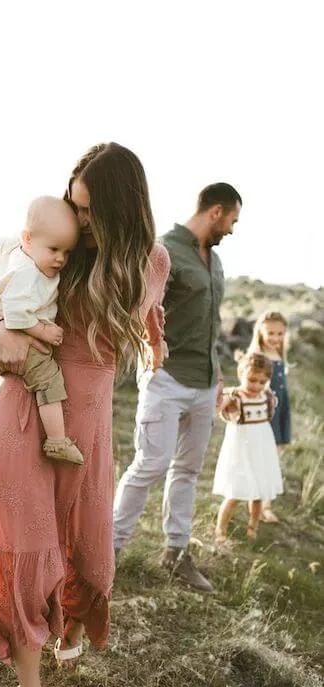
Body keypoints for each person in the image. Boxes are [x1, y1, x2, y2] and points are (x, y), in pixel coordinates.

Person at [0, 142, 170, 687]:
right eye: (73, 206)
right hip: (20, 407)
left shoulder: (150, 261)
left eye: (87, 212)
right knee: (23, 545)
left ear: (119, 210)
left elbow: (149, 308)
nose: (76, 223)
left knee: (86, 547)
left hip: (89, 420)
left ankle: (70, 626)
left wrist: (156, 339)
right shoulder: (46, 244)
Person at [113, 183, 242, 593]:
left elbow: (211, 325)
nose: (233, 230)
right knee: (150, 465)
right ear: (216, 211)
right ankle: (107, 553)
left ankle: (176, 553)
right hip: (165, 379)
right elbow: (139, 311)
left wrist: (218, 376)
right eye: (233, 220)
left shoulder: (215, 262)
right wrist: (151, 353)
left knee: (187, 470)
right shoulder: (163, 251)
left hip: (204, 383)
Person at [0, 196, 83, 465]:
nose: (60, 259)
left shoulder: (17, 248)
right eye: (54, 249)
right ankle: (57, 441)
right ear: (27, 238)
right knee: (48, 379)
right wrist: (43, 332)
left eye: (67, 252)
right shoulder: (29, 272)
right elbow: (15, 313)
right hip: (12, 333)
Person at [213, 352, 283, 547]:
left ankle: (253, 527)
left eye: (262, 381)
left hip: (261, 448)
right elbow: (219, 407)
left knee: (258, 493)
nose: (257, 386)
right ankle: (221, 529)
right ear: (241, 374)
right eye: (252, 380)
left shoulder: (267, 396)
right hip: (240, 450)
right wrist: (222, 401)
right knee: (234, 493)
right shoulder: (235, 396)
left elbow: (270, 408)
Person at [247, 310, 291, 524]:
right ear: (260, 332)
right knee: (260, 459)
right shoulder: (259, 357)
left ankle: (266, 504)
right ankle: (256, 502)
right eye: (271, 333)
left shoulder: (280, 356)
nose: (275, 338)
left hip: (280, 413)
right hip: (263, 415)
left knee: (274, 458)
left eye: (280, 334)